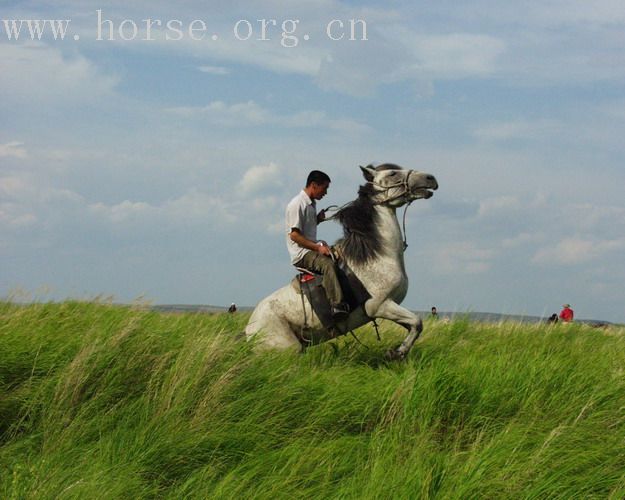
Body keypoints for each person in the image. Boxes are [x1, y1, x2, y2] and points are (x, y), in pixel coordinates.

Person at [286, 170, 348, 320]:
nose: (326, 192)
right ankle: (337, 306)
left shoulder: (311, 204)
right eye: (324, 188)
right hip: (302, 254)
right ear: (314, 185)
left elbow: (305, 228)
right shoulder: (297, 204)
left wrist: (317, 220)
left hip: (310, 249)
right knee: (328, 265)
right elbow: (294, 235)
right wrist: (318, 248)